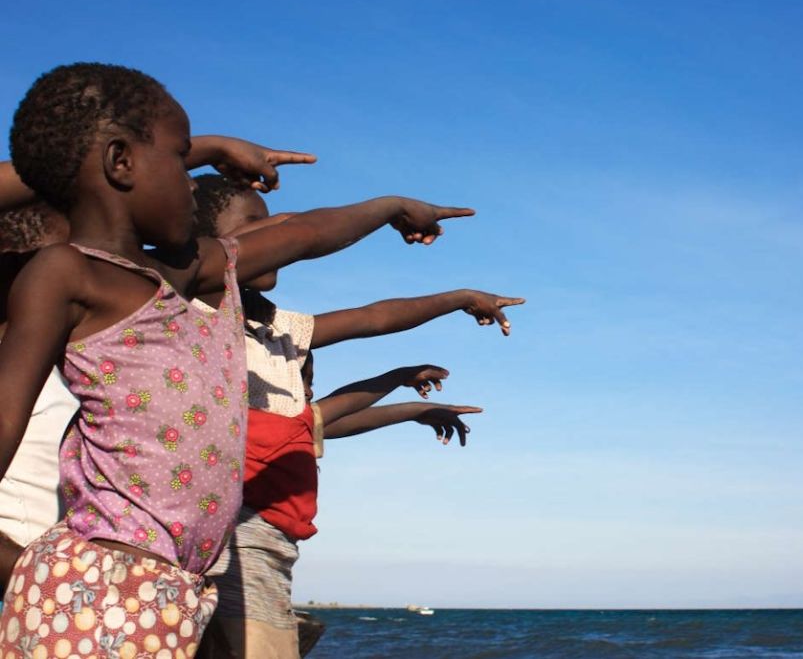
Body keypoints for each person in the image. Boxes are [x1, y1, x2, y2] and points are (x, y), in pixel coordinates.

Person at [0, 61, 474, 655]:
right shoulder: (65, 274)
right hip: (91, 595)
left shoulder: (188, 272)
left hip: (175, 595)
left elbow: (301, 233)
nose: (189, 180)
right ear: (120, 162)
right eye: (179, 158)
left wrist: (390, 207)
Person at [191, 176, 523, 657]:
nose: (275, 238)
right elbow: (303, 232)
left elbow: (373, 319)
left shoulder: (280, 328)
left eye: (274, 225)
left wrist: (456, 301)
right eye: (256, 228)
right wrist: (393, 207)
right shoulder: (192, 315)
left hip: (274, 545)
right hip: (233, 536)